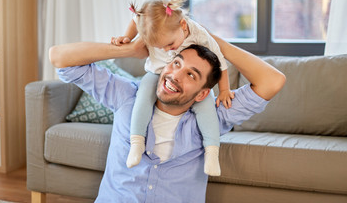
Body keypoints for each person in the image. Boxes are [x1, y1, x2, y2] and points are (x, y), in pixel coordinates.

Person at [49, 36, 286, 202]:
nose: (174, 76)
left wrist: (216, 43)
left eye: (190, 75)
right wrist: (128, 50)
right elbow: (59, 58)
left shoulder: (215, 116)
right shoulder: (127, 96)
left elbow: (273, 81)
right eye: (176, 64)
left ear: (203, 93)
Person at [111, 0, 234, 176]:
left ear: (183, 25)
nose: (167, 50)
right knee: (143, 96)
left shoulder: (198, 34)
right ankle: (137, 142)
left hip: (184, 77)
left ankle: (212, 152)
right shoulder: (148, 23)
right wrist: (127, 37)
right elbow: (135, 19)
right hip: (157, 72)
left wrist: (224, 90)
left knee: (206, 104)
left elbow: (220, 61)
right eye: (160, 47)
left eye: (170, 44)